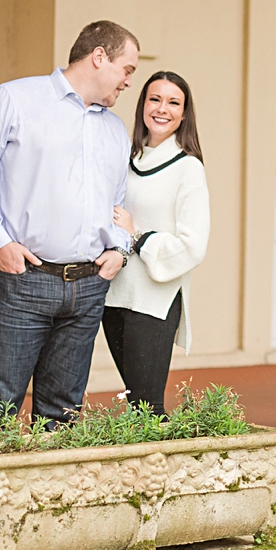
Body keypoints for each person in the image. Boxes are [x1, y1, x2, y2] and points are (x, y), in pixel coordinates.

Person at [0, 20, 139, 429]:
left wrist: (119, 251)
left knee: (63, 416)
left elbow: (117, 201)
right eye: (127, 69)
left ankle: (47, 496)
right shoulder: (14, 100)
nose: (129, 81)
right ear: (99, 56)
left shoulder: (114, 130)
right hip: (22, 281)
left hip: (88, 287)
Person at [104, 71, 209, 414]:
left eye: (173, 102)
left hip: (153, 301)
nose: (162, 109)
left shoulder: (187, 168)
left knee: (148, 407)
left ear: (184, 112)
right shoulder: (128, 157)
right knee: (136, 405)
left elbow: (193, 245)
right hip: (115, 295)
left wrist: (138, 238)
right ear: (143, 105)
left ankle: (157, 468)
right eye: (155, 99)